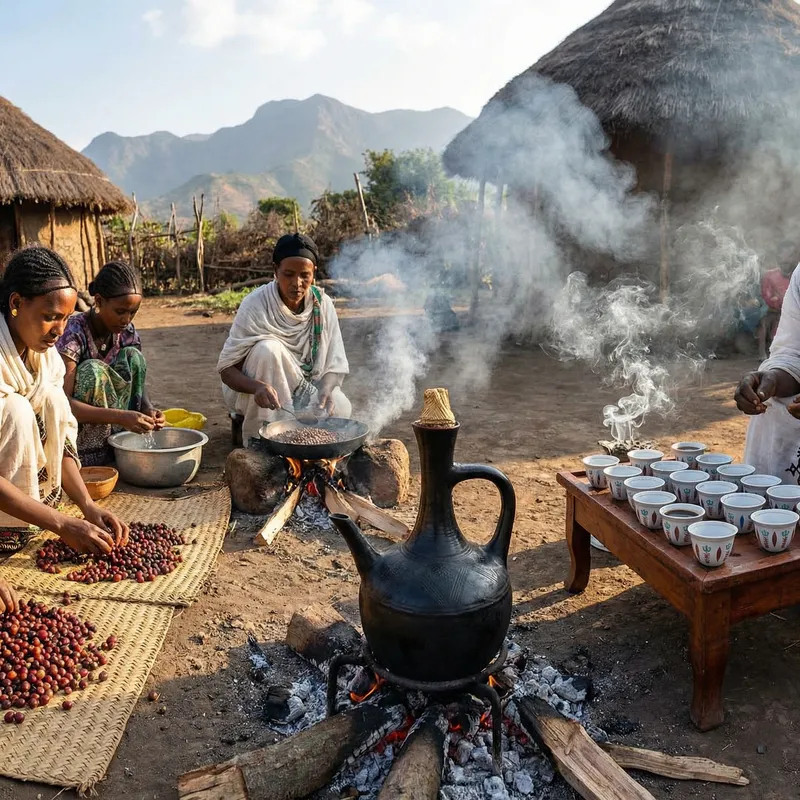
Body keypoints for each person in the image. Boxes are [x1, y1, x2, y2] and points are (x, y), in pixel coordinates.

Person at [0, 246, 128, 556]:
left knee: (55, 400)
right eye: (50, 317)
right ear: (16, 303)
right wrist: (61, 524)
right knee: (16, 410)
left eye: (66, 319)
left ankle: (30, 515)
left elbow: (63, 443)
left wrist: (87, 505)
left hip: (26, 503)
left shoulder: (46, 361)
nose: (59, 330)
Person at [218, 233, 350, 444]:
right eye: (288, 274)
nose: (297, 283)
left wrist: (326, 389)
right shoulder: (256, 304)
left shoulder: (322, 304)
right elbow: (227, 371)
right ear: (275, 270)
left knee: (341, 407)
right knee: (268, 349)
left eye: (304, 275)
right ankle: (262, 440)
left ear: (314, 273)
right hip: (257, 392)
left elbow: (335, 363)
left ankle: (299, 436)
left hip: (305, 389)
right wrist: (257, 387)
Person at [58, 261, 164, 466]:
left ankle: (122, 444)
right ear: (99, 301)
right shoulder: (73, 333)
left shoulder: (127, 333)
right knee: (93, 370)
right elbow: (62, 404)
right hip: (80, 438)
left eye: (133, 312)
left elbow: (138, 381)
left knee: (134, 356)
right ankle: (91, 456)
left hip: (120, 428)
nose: (126, 319)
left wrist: (148, 408)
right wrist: (119, 417)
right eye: (120, 311)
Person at [757, 241, 797, 359]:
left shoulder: (796, 274)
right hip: (774, 310)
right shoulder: (770, 275)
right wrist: (780, 301)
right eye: (786, 255)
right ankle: (762, 351)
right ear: (779, 256)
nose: (789, 259)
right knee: (764, 317)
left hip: (792, 311)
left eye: (792, 255)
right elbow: (767, 297)